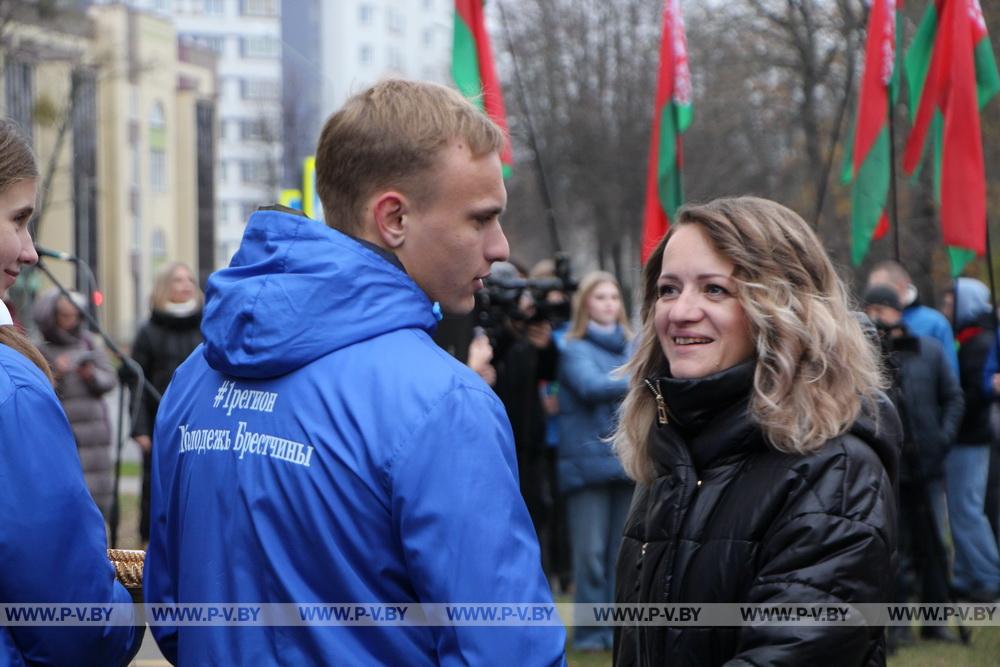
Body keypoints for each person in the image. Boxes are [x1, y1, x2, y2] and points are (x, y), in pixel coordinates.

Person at [145, 80, 565, 665]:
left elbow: (173, 614)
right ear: (393, 218)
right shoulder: (444, 403)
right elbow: (504, 649)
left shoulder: (195, 379)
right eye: (481, 218)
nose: (500, 245)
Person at [613, 197, 899, 665]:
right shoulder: (673, 453)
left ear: (782, 306)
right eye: (668, 289)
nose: (680, 312)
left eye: (714, 290)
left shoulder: (836, 473)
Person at [0, 117, 142, 665]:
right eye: (19, 220)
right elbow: (72, 624)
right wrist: (125, 612)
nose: (32, 251)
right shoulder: (11, 389)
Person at [863, 285, 963, 645]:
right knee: (894, 551)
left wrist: (941, 440)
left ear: (897, 312)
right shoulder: (866, 356)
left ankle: (936, 622)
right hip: (890, 471)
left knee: (935, 546)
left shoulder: (929, 352)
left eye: (883, 309)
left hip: (929, 467)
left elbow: (953, 398)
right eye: (870, 308)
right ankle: (898, 626)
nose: (877, 316)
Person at [557, 270, 633, 652]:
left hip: (625, 462)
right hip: (586, 467)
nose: (608, 304)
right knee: (590, 558)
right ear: (585, 303)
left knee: (622, 557)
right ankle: (590, 635)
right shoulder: (573, 347)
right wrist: (645, 377)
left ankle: (617, 632)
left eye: (614, 297)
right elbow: (590, 386)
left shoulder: (633, 346)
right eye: (600, 297)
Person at [130, 261, 203, 543]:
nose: (185, 285)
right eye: (178, 280)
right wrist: (141, 429)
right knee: (157, 489)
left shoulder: (206, 327)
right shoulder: (149, 332)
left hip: (198, 425)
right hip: (160, 425)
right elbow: (136, 381)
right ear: (164, 287)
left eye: (190, 280)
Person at [32, 288, 118, 519]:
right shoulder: (41, 349)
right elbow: (36, 393)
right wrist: (56, 372)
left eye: (75, 316)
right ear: (52, 316)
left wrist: (91, 375)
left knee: (97, 494)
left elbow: (110, 379)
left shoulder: (88, 343)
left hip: (95, 433)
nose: (71, 321)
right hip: (65, 429)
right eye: (64, 316)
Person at [945, 277, 1000, 602]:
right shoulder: (970, 339)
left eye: (952, 301)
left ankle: (989, 575)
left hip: (971, 437)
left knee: (966, 508)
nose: (947, 307)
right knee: (962, 508)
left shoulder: (979, 343)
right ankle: (967, 575)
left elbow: (972, 395)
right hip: (969, 436)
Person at [867, 260, 959, 378]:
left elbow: (950, 375)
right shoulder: (869, 323)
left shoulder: (935, 323)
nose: (876, 294)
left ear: (902, 285)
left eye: (882, 288)